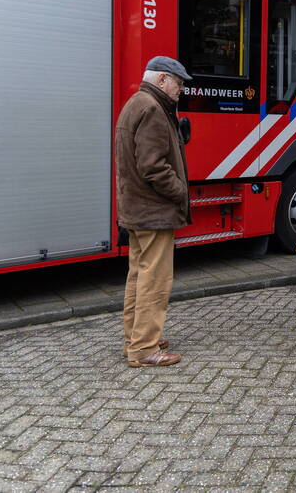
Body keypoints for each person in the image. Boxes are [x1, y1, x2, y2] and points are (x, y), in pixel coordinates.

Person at [116, 56, 192, 368]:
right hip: (154, 210)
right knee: (155, 280)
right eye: (178, 83)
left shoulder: (137, 102)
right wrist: (180, 191)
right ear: (162, 80)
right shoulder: (153, 109)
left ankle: (135, 339)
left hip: (138, 208)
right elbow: (153, 167)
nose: (181, 90)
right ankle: (145, 349)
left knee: (138, 276)